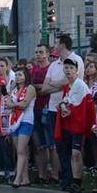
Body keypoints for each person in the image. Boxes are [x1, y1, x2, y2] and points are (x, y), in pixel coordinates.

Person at [55, 58, 94, 193]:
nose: (68, 70)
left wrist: (69, 110)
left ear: (77, 70)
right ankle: (69, 180)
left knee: (76, 153)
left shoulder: (81, 86)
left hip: (77, 125)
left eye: (71, 68)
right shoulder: (67, 87)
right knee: (67, 153)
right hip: (67, 125)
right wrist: (62, 107)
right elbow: (64, 102)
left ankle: (77, 182)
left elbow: (83, 107)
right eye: (66, 68)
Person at [31, 44, 59, 185]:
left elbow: (51, 87)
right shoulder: (34, 69)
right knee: (40, 144)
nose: (38, 54)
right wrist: (41, 87)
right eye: (36, 52)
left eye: (41, 52)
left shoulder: (52, 68)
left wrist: (42, 88)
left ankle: (55, 175)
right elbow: (31, 87)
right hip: (35, 107)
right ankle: (42, 174)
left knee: (51, 144)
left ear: (48, 54)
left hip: (48, 108)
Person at [6, 67, 36, 187]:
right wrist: (17, 105)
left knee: (21, 150)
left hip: (26, 120)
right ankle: (25, 178)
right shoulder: (14, 89)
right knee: (19, 151)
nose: (17, 77)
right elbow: (7, 104)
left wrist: (14, 105)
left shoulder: (30, 88)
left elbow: (25, 104)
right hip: (14, 121)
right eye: (16, 75)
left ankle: (17, 178)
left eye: (19, 74)